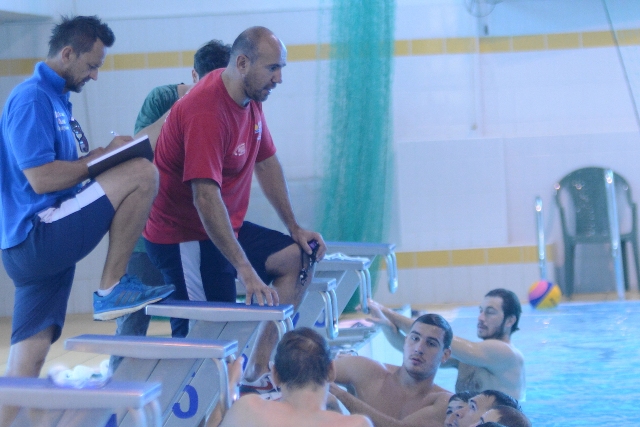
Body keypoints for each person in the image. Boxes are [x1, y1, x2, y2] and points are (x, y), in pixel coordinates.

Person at [0, 15, 174, 426]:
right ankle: (111, 286)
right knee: (142, 174)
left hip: (35, 248)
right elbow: (42, 179)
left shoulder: (56, 99)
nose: (95, 76)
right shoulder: (32, 99)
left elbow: (67, 170)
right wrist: (98, 161)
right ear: (67, 53)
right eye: (92, 66)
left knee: (27, 362)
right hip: (38, 234)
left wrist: (103, 154)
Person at [142, 26, 326, 390]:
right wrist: (245, 269)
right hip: (184, 238)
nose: (279, 78)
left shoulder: (250, 98)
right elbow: (205, 198)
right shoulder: (205, 111)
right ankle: (185, 406)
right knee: (208, 342)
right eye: (273, 68)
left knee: (297, 257)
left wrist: (294, 227)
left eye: (281, 68)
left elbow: (266, 162)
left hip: (220, 227)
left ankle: (257, 372)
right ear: (242, 63)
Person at [114, 39, 231, 344]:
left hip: (191, 234)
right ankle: (120, 373)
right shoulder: (163, 99)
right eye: (208, 84)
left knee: (192, 315)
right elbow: (139, 151)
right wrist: (184, 107)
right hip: (147, 231)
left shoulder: (229, 107)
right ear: (193, 76)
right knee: (133, 317)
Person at [366, 288, 525, 400]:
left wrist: (386, 311)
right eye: (480, 311)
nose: (481, 318)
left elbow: (432, 333)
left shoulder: (507, 354)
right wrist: (386, 325)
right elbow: (413, 351)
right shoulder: (471, 357)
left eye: (489, 312)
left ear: (510, 320)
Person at [217, 328, 372, 427]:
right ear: (331, 371)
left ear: (275, 375)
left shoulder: (248, 410)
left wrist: (230, 385)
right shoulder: (357, 424)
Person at [329, 314, 453, 427]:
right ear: (405, 341)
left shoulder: (447, 403)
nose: (419, 349)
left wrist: (340, 394)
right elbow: (318, 371)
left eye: (431, 344)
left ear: (445, 355)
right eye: (415, 338)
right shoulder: (366, 371)